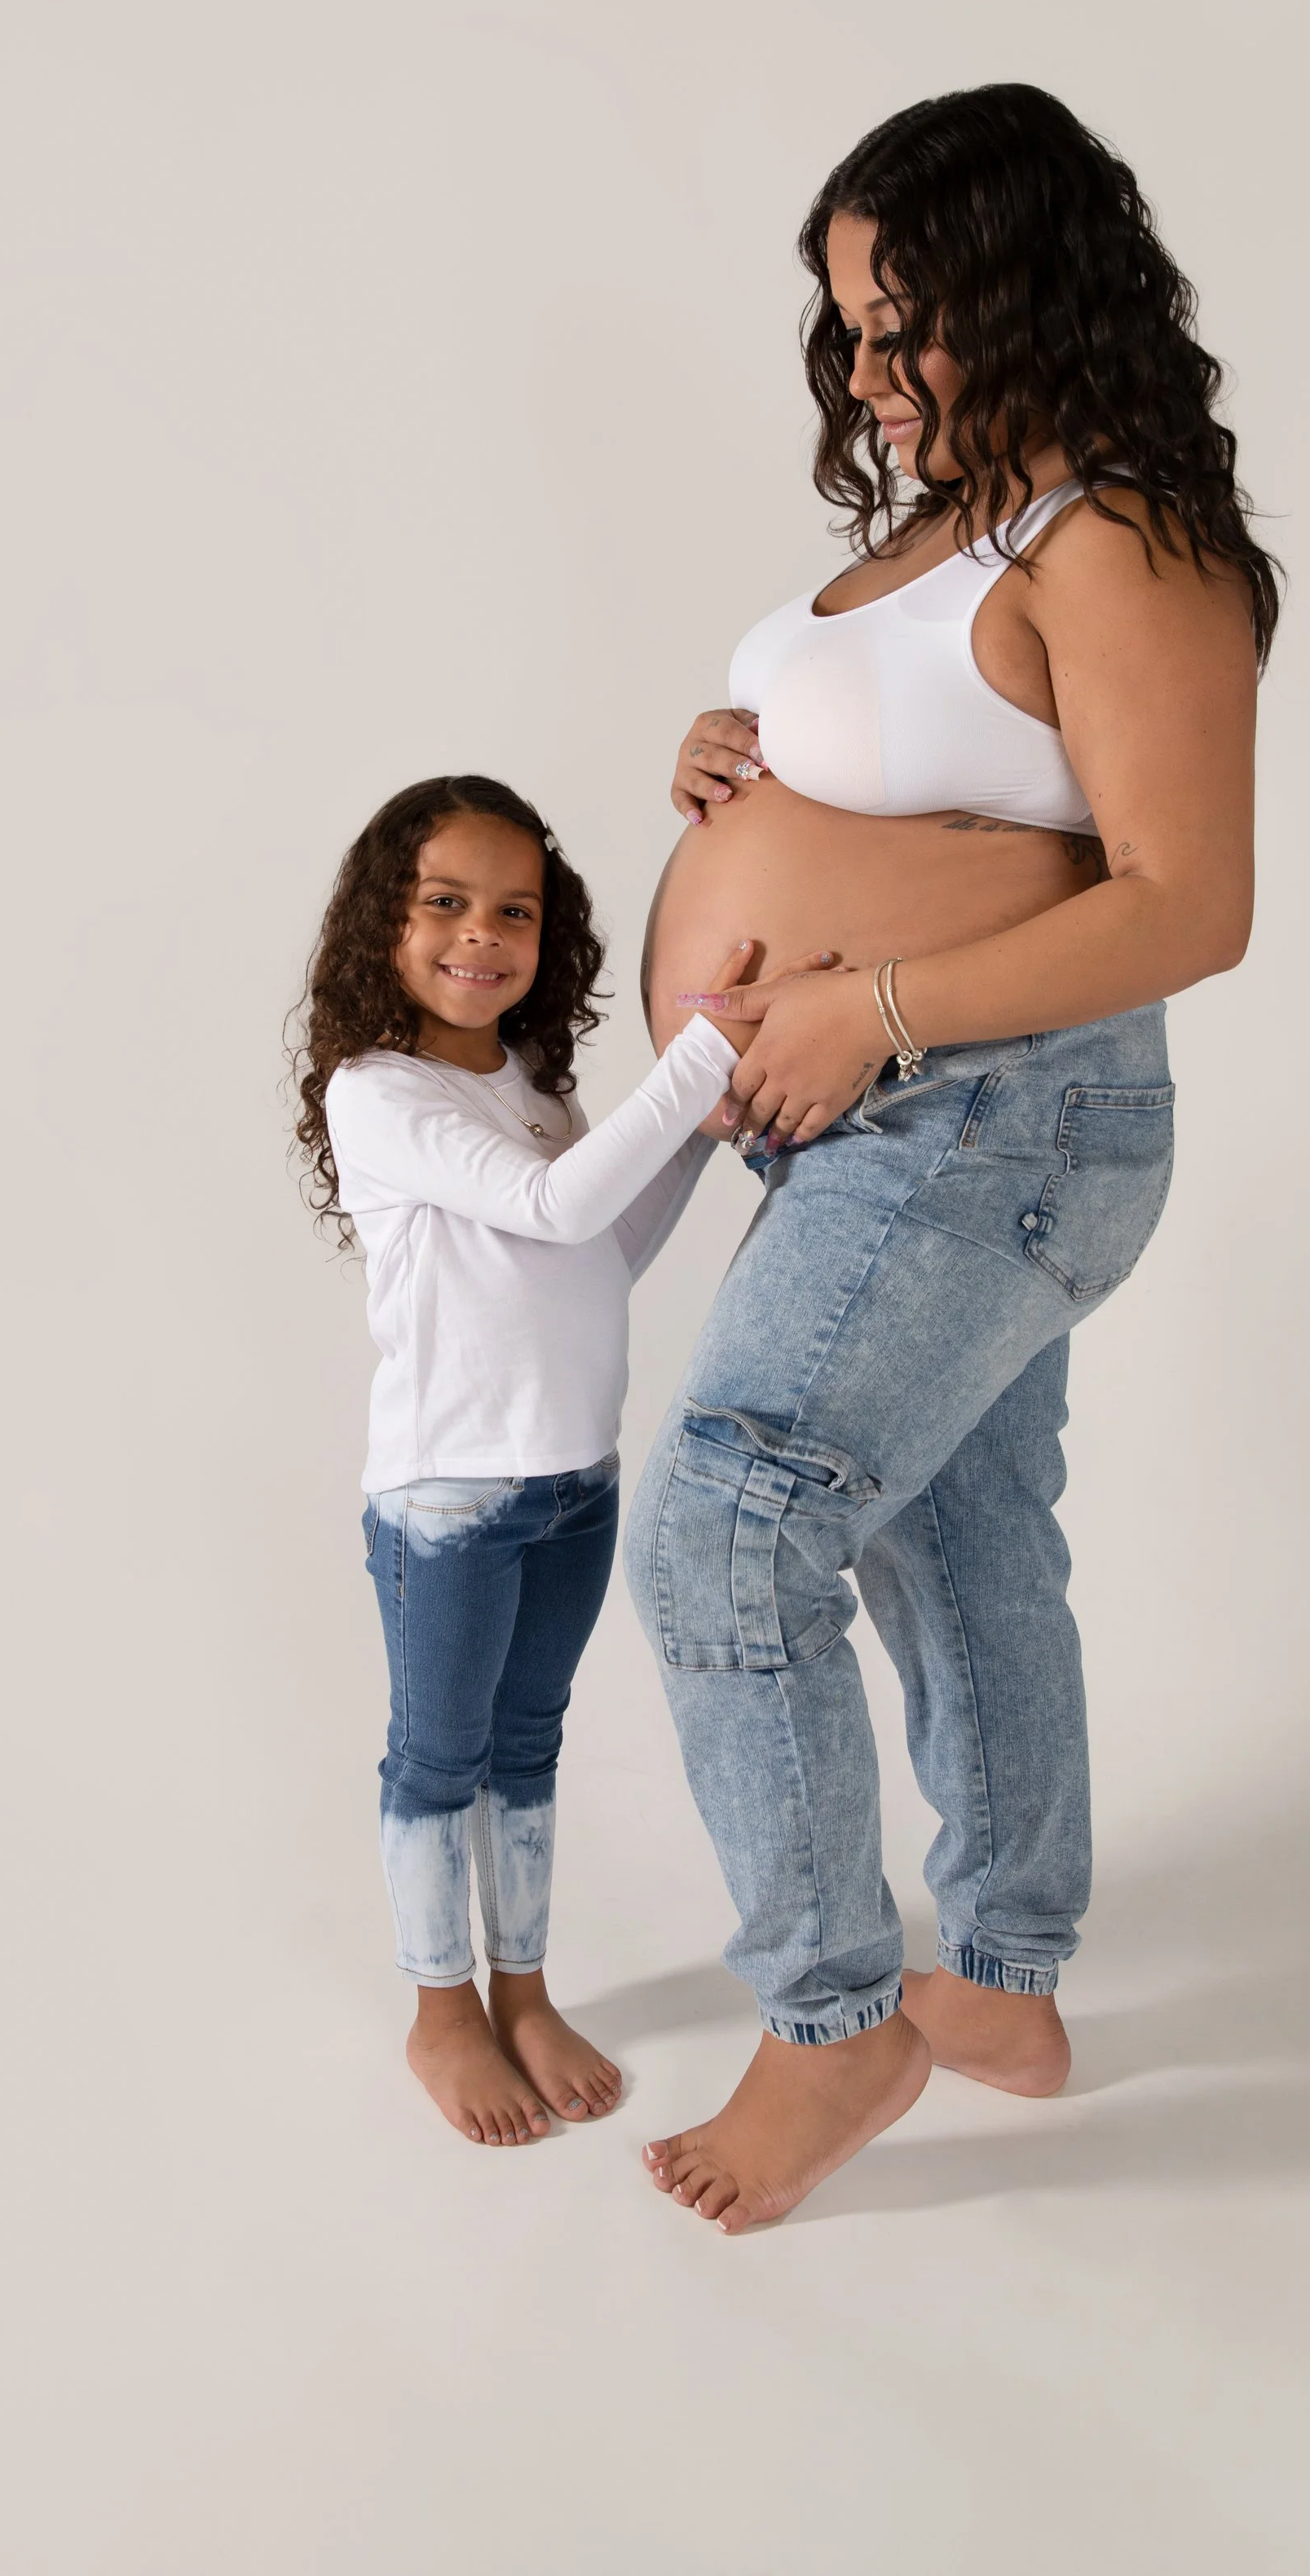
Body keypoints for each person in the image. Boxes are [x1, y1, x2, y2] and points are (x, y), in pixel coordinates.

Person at [631, 83, 1281, 2229]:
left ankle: (835, 2021)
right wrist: (738, 768)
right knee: (955, 1530)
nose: (872, 369)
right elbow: (924, 773)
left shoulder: (1117, 534)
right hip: (873, 1118)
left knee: (729, 1526)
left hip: (994, 1110)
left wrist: (870, 1000)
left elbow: (1187, 896)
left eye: (909, 319)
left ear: (1032, 284)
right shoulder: (949, 515)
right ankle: (997, 1979)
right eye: (846, 329)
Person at [291, 773, 817, 2147]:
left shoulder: (528, 1084)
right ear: (381, 925)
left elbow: (599, 1249)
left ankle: (524, 1988)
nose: (483, 935)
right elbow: (553, 1199)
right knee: (439, 1752)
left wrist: (707, 1135)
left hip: (573, 1480)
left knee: (528, 1745)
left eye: (513, 910)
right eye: (446, 903)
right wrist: (704, 1050)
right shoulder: (378, 1093)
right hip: (448, 1500)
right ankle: (440, 2007)